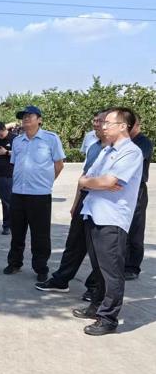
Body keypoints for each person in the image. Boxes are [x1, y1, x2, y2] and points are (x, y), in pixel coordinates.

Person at [72, 107, 143, 336]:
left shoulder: (131, 152)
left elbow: (108, 181)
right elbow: (88, 178)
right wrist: (95, 182)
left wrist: (95, 182)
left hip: (112, 218)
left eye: (108, 123)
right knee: (98, 268)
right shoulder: (106, 150)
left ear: (122, 126)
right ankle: (96, 306)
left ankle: (108, 318)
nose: (103, 126)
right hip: (93, 213)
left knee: (111, 271)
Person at [35, 111, 107, 294]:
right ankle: (61, 280)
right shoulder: (94, 147)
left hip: (105, 202)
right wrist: (76, 203)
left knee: (100, 248)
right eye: (94, 120)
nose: (96, 124)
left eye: (100, 121)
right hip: (86, 198)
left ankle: (95, 287)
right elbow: (84, 176)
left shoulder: (121, 150)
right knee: (74, 242)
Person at [4, 106, 65, 282]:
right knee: (17, 232)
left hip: (40, 195)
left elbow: (59, 164)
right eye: (23, 116)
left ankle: (41, 267)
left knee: (40, 235)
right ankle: (14, 263)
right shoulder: (17, 141)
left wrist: (46, 182)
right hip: (18, 193)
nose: (25, 119)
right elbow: (15, 164)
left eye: (30, 116)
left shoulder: (50, 139)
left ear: (39, 119)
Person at [124, 115, 153, 280]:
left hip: (137, 189)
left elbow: (132, 160)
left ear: (136, 125)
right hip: (122, 188)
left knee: (135, 228)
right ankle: (121, 262)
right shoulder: (124, 142)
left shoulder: (143, 142)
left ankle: (132, 267)